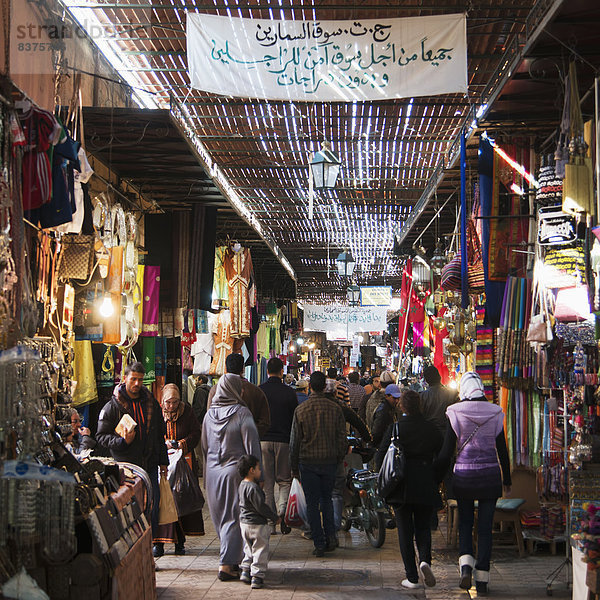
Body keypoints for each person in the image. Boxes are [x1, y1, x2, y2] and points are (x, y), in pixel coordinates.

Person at [437, 372, 511, 596]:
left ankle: (466, 566)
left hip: (465, 478)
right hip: (490, 477)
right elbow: (502, 451)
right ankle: (483, 580)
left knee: (465, 524)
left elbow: (447, 451)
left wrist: (436, 474)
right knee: (486, 529)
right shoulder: (496, 412)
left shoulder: (455, 413)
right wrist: (506, 479)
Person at [375, 390, 443, 590]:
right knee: (423, 527)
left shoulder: (396, 429)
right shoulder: (431, 429)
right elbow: (443, 456)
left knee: (404, 531)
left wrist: (384, 480)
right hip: (425, 483)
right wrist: (435, 478)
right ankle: (425, 560)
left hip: (401, 486)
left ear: (402, 406)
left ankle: (412, 577)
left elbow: (380, 457)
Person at [97, 362, 168, 538]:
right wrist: (122, 441)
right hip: (126, 468)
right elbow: (101, 436)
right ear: (125, 379)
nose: (137, 384)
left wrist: (163, 462)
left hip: (149, 463)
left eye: (140, 380)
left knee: (151, 504)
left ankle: (150, 546)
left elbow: (159, 434)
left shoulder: (151, 403)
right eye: (133, 379)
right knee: (130, 509)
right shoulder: (112, 407)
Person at [202, 372, 262, 581]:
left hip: (212, 473)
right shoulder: (242, 413)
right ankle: (226, 565)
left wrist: (205, 473)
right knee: (233, 518)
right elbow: (251, 446)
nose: (243, 391)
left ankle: (231, 559)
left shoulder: (209, 415)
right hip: (234, 472)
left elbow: (204, 446)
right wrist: (256, 474)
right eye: (240, 387)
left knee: (220, 518)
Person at [289, 371, 347, 557]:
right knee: (327, 500)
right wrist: (338, 458)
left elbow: (294, 442)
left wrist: (294, 467)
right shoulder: (335, 409)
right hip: (329, 462)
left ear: (310, 387)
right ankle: (331, 537)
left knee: (312, 503)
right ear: (324, 387)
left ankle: (319, 542)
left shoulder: (301, 410)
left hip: (308, 463)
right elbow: (342, 439)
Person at [153, 384, 204, 558]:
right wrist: (164, 443)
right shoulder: (157, 413)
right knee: (163, 503)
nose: (171, 406)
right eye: (168, 402)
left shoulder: (187, 412)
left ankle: (180, 542)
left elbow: (196, 433)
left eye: (175, 402)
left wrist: (181, 444)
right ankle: (159, 543)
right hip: (163, 465)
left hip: (184, 465)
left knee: (181, 502)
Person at [259, 357, 298, 531]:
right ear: (282, 371)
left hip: (263, 441)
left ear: (267, 371)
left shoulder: (260, 391)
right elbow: (294, 419)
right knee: (284, 480)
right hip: (283, 441)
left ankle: (270, 522)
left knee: (267, 483)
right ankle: (282, 512)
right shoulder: (289, 392)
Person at [237, 454, 279, 590]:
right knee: (260, 549)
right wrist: (274, 517)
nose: (260, 471)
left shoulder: (241, 485)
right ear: (251, 470)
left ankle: (245, 570)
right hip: (257, 524)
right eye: (258, 468)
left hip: (244, 523)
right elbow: (261, 507)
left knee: (248, 548)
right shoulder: (254, 489)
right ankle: (257, 576)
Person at [207, 353, 270, 437]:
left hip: (221, 444)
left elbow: (210, 419)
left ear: (226, 368)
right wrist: (249, 435)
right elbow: (265, 422)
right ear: (243, 369)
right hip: (246, 445)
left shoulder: (215, 390)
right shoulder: (255, 391)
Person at [371, 384, 402, 449]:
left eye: (398, 398)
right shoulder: (383, 411)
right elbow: (376, 432)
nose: (397, 401)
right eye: (394, 398)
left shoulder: (391, 408)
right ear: (386, 396)